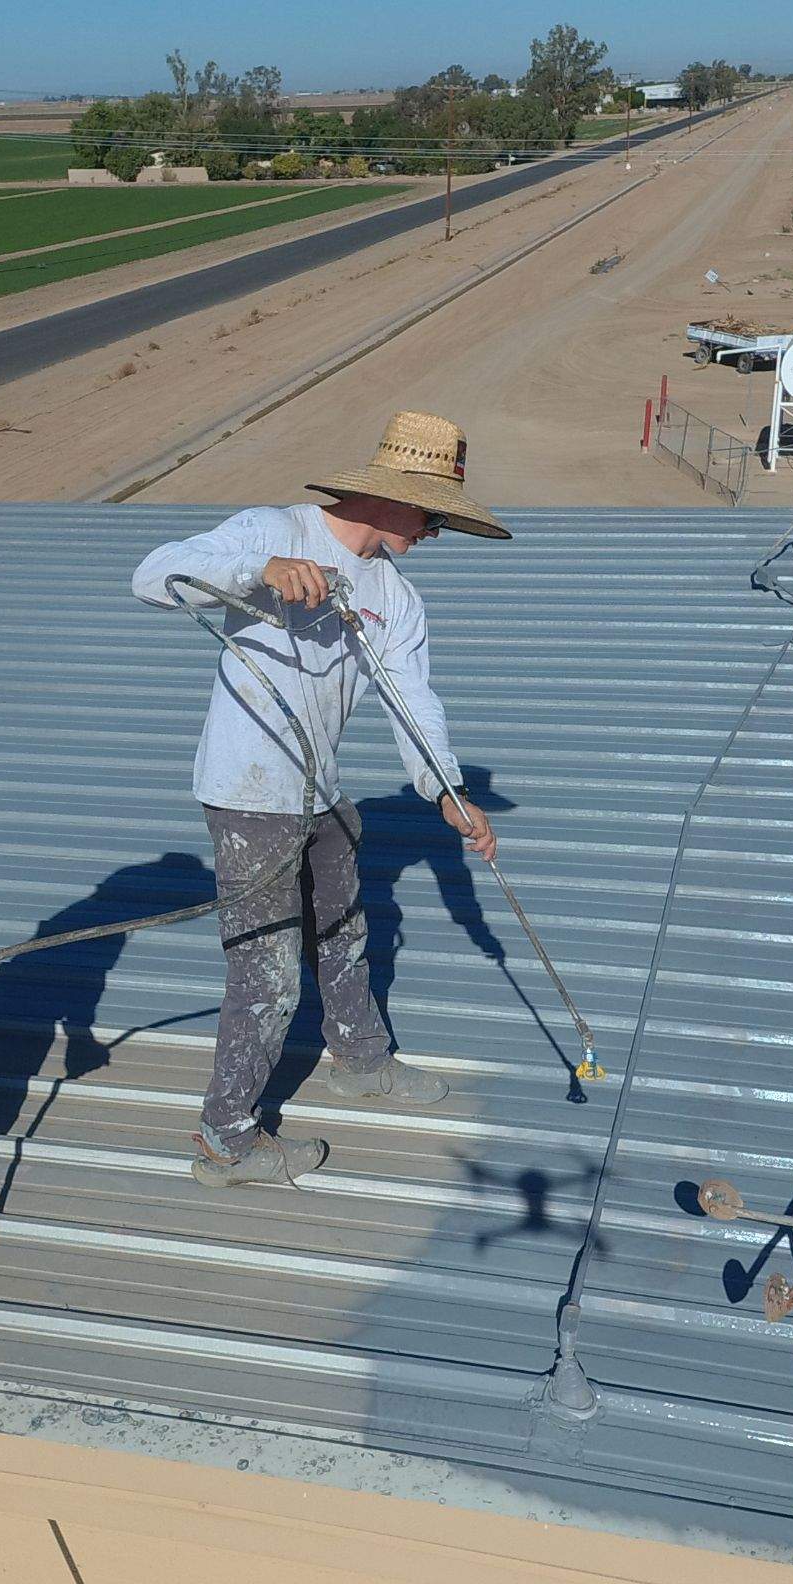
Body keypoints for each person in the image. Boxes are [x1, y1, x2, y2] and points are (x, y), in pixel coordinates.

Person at [131, 410, 509, 1190]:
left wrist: (447, 790)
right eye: (433, 517)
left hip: (320, 791)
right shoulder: (275, 530)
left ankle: (361, 1062)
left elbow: (412, 699)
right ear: (396, 497)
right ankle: (226, 1141)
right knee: (267, 974)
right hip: (249, 793)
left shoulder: (395, 597)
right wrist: (259, 571)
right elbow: (153, 575)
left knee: (343, 931)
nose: (435, 533)